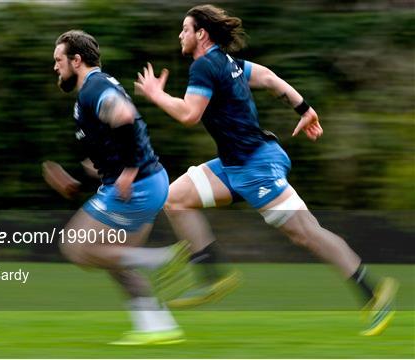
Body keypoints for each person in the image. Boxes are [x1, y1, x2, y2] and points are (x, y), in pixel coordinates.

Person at [134, 4, 398, 336]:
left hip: (257, 166)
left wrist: (157, 95)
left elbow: (189, 114)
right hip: (234, 165)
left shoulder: (204, 67)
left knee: (306, 233)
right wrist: (304, 108)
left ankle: (373, 294)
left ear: (201, 34)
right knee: (174, 198)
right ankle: (212, 275)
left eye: (185, 29)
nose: (180, 35)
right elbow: (271, 79)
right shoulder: (229, 64)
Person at [51, 30, 190, 345]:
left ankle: (160, 258)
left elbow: (125, 116)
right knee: (113, 258)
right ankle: (156, 326)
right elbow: (103, 157)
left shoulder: (93, 88)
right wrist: (78, 181)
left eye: (59, 60)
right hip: (150, 182)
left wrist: (128, 170)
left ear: (77, 60)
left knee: (75, 245)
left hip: (138, 184)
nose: (56, 67)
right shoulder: (96, 88)